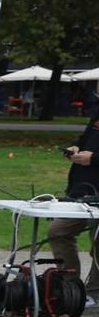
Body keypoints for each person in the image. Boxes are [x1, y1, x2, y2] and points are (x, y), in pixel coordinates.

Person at [46, 106, 99, 281]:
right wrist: (76, 147)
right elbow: (87, 140)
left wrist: (93, 158)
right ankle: (69, 287)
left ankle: (94, 291)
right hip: (82, 191)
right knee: (58, 231)